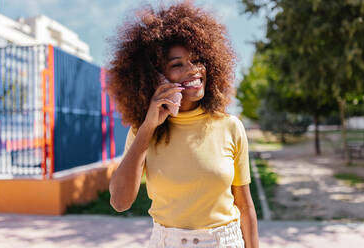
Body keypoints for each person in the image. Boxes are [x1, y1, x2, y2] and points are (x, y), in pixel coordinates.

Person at [107, 2, 259, 247]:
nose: (193, 71)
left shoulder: (230, 126)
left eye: (198, 60)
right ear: (155, 75)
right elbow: (120, 202)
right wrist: (148, 126)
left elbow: (245, 205)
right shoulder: (142, 132)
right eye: (177, 64)